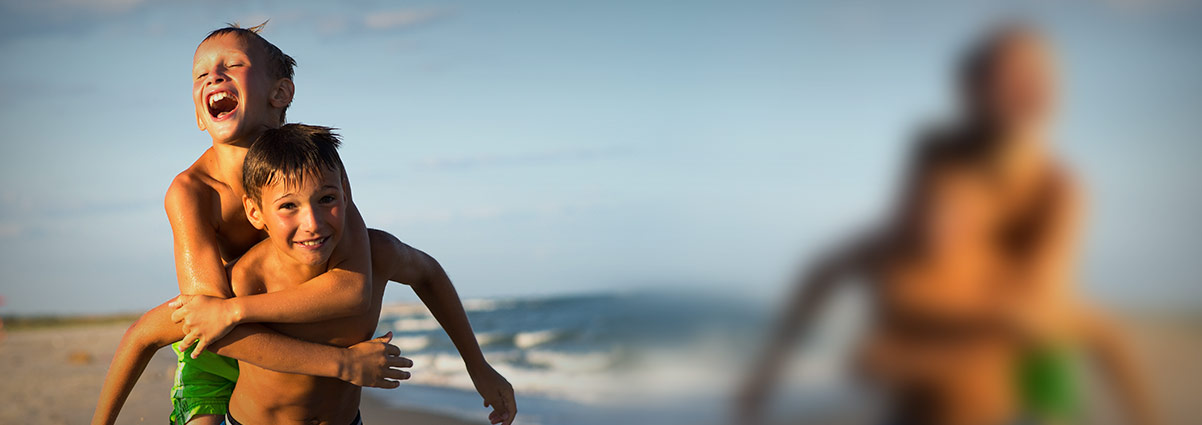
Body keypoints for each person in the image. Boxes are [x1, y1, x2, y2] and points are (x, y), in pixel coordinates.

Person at [92, 23, 516, 425]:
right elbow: (209, 323)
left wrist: (477, 365)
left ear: (280, 92)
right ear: (200, 116)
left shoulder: (316, 164)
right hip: (227, 338)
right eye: (201, 73)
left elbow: (353, 291)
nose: (214, 76)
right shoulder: (192, 193)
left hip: (258, 316)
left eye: (232, 65)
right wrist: (344, 363)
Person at [735, 23, 1156, 425]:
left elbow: (1032, 317)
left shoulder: (1059, 191)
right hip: (943, 357)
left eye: (1039, 74)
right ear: (966, 88)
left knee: (1042, 365)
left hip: (1026, 364)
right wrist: (766, 373)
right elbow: (851, 267)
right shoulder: (934, 149)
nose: (1027, 86)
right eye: (1005, 76)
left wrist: (900, 358)